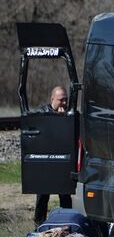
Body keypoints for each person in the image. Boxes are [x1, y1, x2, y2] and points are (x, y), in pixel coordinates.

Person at [34, 86, 72, 226]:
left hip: (62, 160)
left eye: (66, 100)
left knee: (65, 195)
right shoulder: (42, 112)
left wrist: (65, 118)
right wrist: (58, 118)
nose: (64, 103)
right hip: (46, 161)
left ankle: (66, 225)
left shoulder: (69, 113)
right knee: (43, 196)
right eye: (61, 100)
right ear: (52, 99)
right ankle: (39, 225)